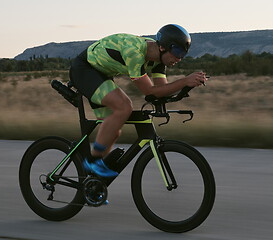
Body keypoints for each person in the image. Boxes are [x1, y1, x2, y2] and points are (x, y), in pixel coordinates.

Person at [69, 24, 207, 177]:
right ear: (163, 47)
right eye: (177, 52)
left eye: (183, 54)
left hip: (102, 73)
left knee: (113, 130)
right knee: (124, 107)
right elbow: (149, 91)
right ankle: (92, 161)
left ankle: (92, 180)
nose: (179, 58)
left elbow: (161, 91)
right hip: (85, 69)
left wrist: (188, 87)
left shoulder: (159, 60)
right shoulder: (134, 53)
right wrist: (184, 81)